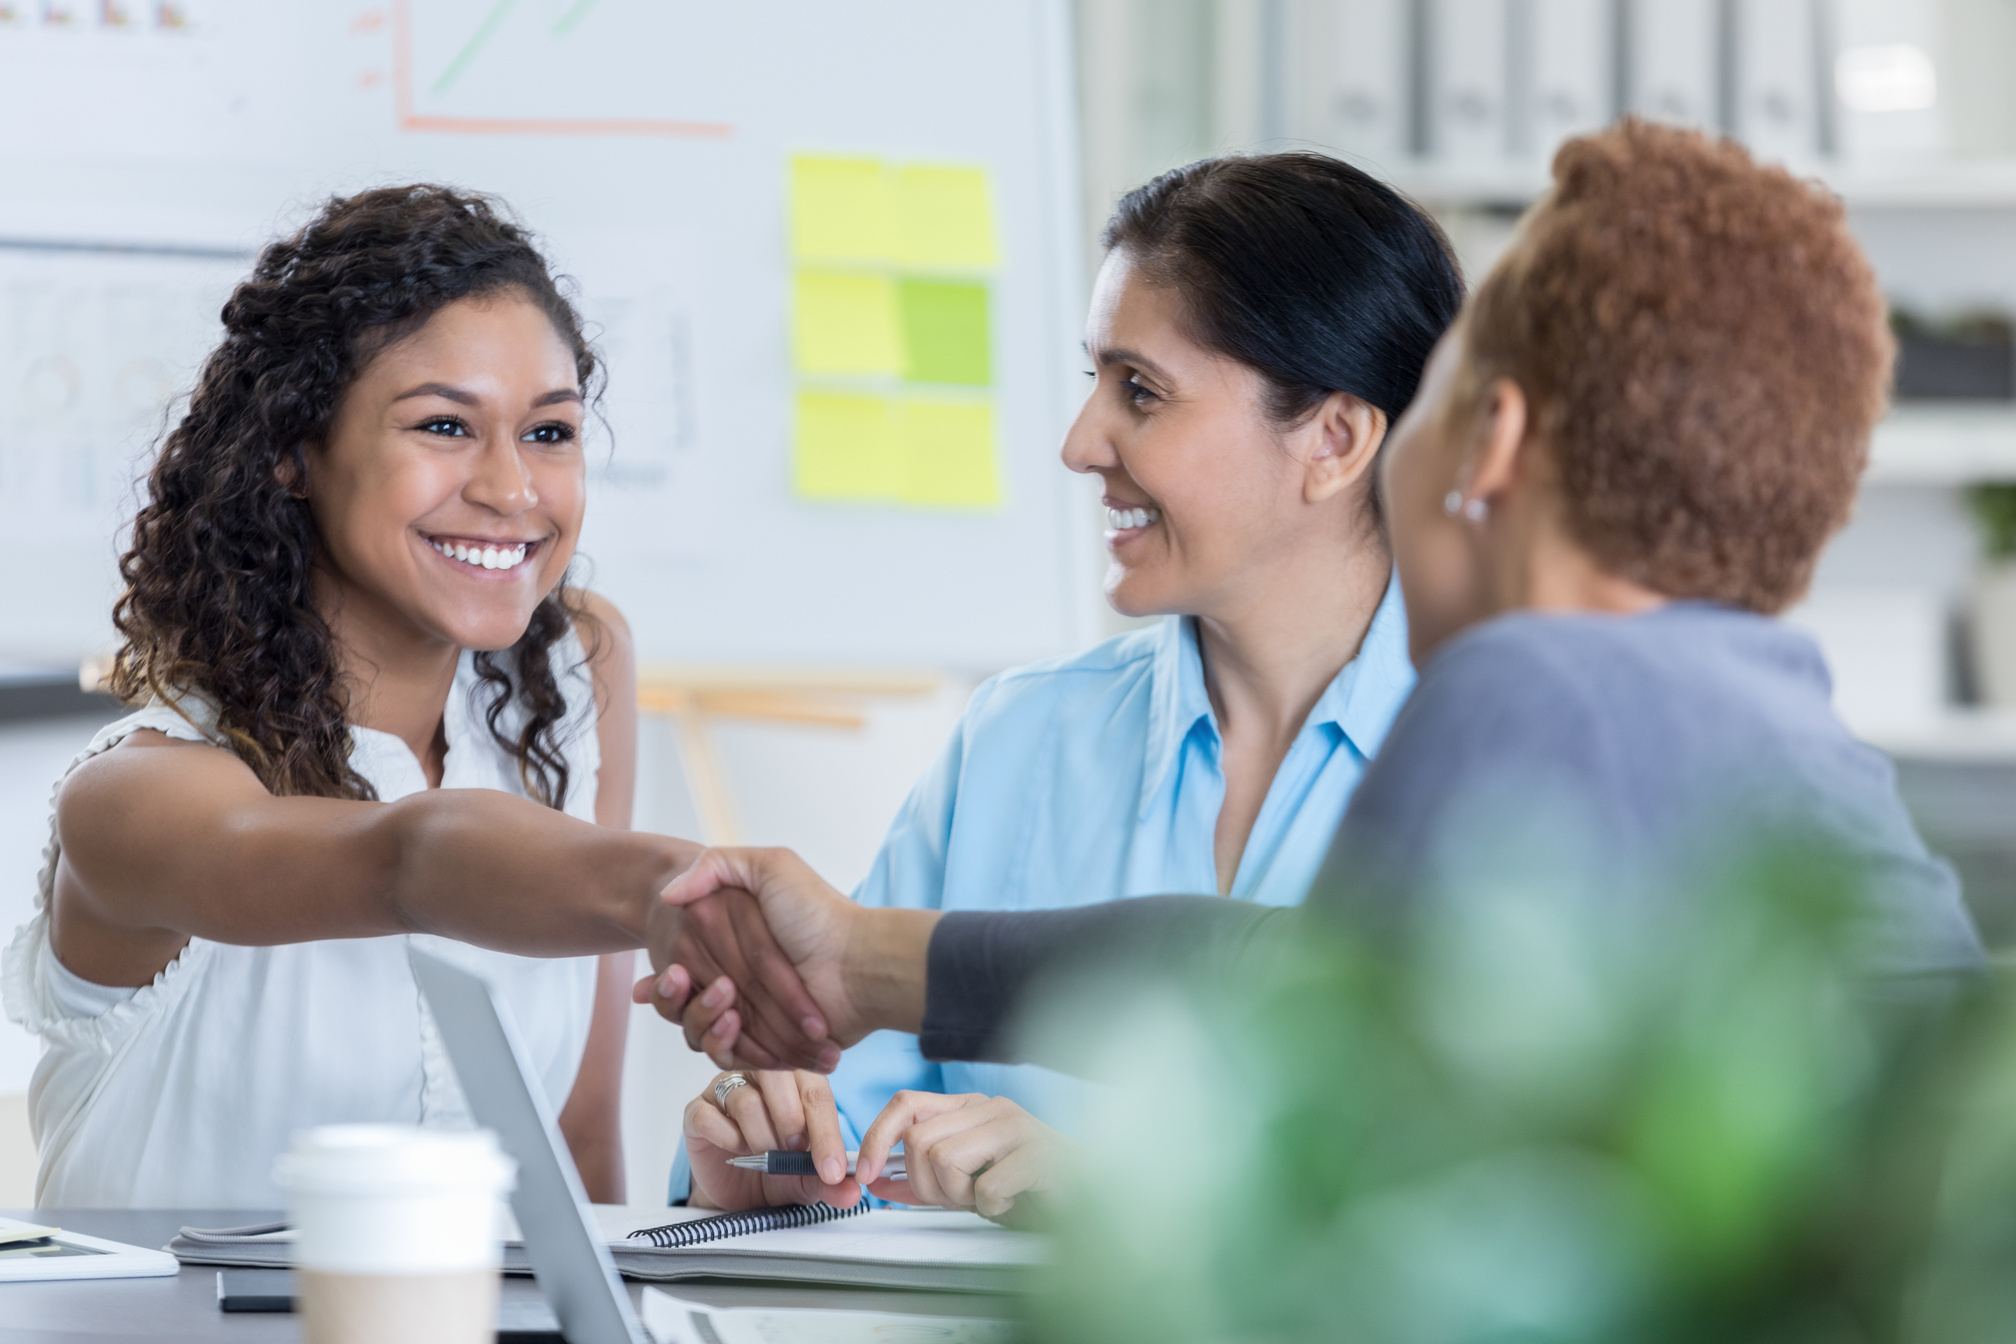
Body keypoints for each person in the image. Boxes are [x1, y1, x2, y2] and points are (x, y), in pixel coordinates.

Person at [642, 120, 1986, 1223]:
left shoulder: (1551, 697)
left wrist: (882, 963)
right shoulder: (1758, 715)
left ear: (1479, 440)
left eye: (1442, 397)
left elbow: (1294, 1005)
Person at [664, 152, 1463, 1211]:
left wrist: (1115, 1204)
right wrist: (764, 1161)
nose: (1082, 443)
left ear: (1334, 437)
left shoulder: (1504, 763)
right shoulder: (1020, 740)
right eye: (1093, 382)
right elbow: (846, 1121)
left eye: (1142, 392)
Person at [0, 185, 729, 1206]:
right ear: (294, 453)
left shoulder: (573, 673)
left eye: (551, 433)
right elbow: (411, 859)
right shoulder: (136, 802)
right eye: (444, 425)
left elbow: (573, 1150)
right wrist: (709, 892)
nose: (514, 491)